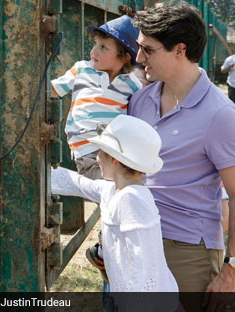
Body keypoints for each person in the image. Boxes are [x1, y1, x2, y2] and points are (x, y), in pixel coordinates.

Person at [128, 1, 235, 312]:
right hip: (137, 239)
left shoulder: (220, 115)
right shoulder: (141, 100)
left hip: (187, 252)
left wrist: (231, 270)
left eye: (148, 49)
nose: (138, 57)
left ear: (179, 50)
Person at [51, 115, 179, 311]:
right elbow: (78, 183)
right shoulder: (113, 190)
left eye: (100, 152)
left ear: (115, 160)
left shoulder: (132, 199)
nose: (96, 158)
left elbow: (143, 263)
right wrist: (39, 173)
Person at [51, 15, 142, 180]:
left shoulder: (132, 84)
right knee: (108, 188)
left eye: (103, 48)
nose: (94, 52)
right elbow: (53, 90)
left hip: (116, 151)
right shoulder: (81, 70)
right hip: (86, 148)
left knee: (116, 188)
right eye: (95, 44)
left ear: (124, 57)